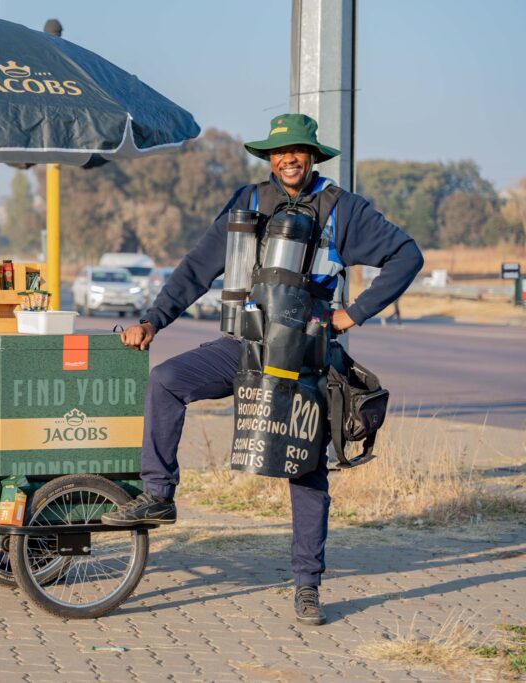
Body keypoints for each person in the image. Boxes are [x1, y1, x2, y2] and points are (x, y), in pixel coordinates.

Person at [101, 114, 424, 625]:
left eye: (298, 150)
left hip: (305, 355)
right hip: (246, 345)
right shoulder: (246, 202)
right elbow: (196, 268)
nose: (288, 159)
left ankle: (307, 586)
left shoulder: (342, 209)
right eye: (279, 152)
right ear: (269, 158)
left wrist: (351, 314)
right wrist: (152, 322)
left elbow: (407, 256)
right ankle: (158, 495)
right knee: (166, 381)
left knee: (306, 469)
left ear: (312, 155)